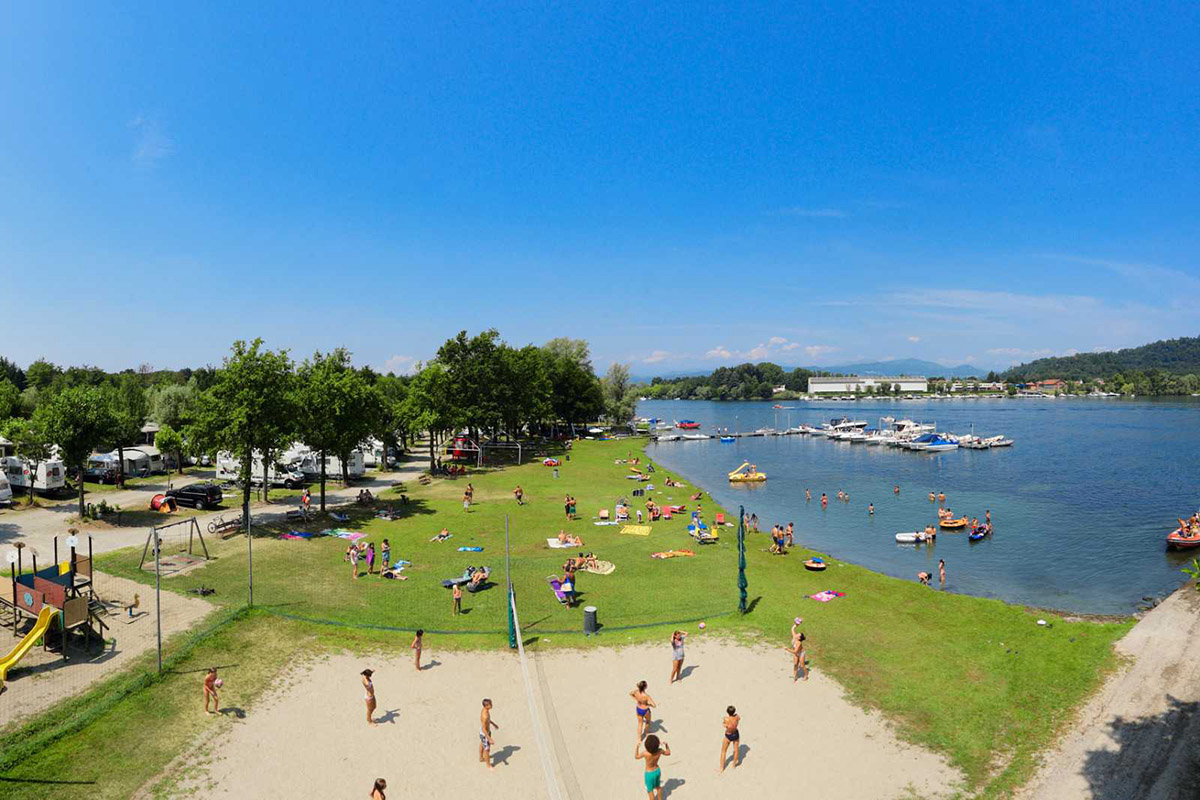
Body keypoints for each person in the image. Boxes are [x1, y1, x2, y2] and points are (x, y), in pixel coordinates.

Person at [635, 735, 671, 800]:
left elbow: (636, 756)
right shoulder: (660, 751)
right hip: (657, 771)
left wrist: (637, 747)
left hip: (649, 774)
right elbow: (668, 753)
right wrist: (666, 745)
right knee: (658, 787)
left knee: (650, 791)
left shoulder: (645, 753)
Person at [720, 705, 742, 771]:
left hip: (728, 735)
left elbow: (724, 725)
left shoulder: (726, 719)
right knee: (736, 750)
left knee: (723, 751)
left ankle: (721, 768)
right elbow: (739, 718)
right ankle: (733, 765)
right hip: (735, 734)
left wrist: (724, 723)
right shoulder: (737, 716)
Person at [479, 698, 499, 770]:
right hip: (485, 734)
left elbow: (488, 720)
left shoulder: (486, 711)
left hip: (485, 732)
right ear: (486, 706)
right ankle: (488, 765)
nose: (492, 705)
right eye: (490, 704)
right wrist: (489, 738)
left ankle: (481, 758)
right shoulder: (485, 716)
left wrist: (493, 724)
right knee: (487, 750)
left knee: (482, 744)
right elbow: (484, 729)